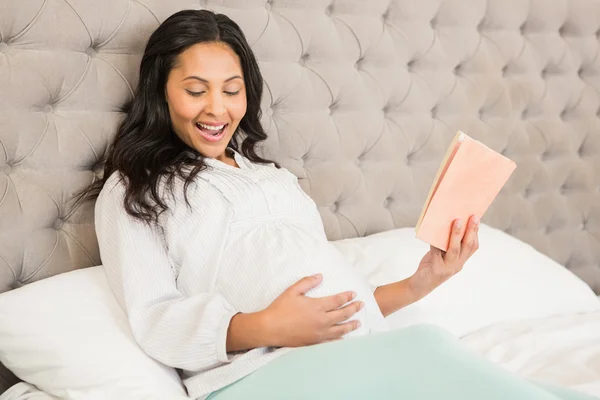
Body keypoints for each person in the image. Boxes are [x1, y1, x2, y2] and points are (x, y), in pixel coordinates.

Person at [92, 9, 596, 400]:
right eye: (195, 90)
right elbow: (155, 316)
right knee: (428, 345)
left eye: (232, 90)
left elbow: (335, 310)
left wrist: (423, 282)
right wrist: (267, 326)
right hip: (248, 376)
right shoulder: (135, 189)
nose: (217, 108)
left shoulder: (276, 179)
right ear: (160, 92)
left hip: (341, 357)